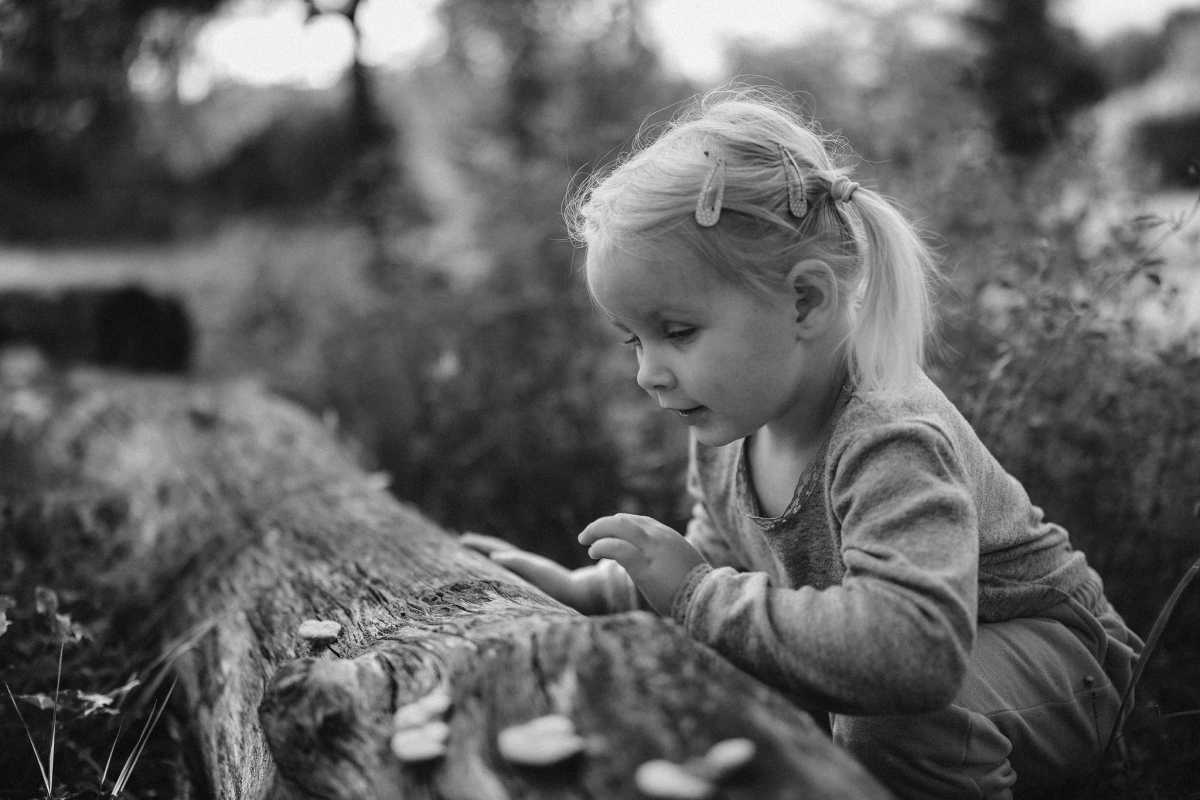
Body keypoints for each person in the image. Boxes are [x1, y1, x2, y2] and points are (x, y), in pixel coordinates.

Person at [461, 89, 1142, 799]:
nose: (648, 374)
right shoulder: (729, 428)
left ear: (806, 302)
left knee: (891, 721)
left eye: (678, 332)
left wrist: (694, 595)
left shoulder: (887, 436)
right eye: (634, 340)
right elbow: (722, 561)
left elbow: (915, 655)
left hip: (1066, 671)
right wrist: (597, 589)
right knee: (745, 686)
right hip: (952, 671)